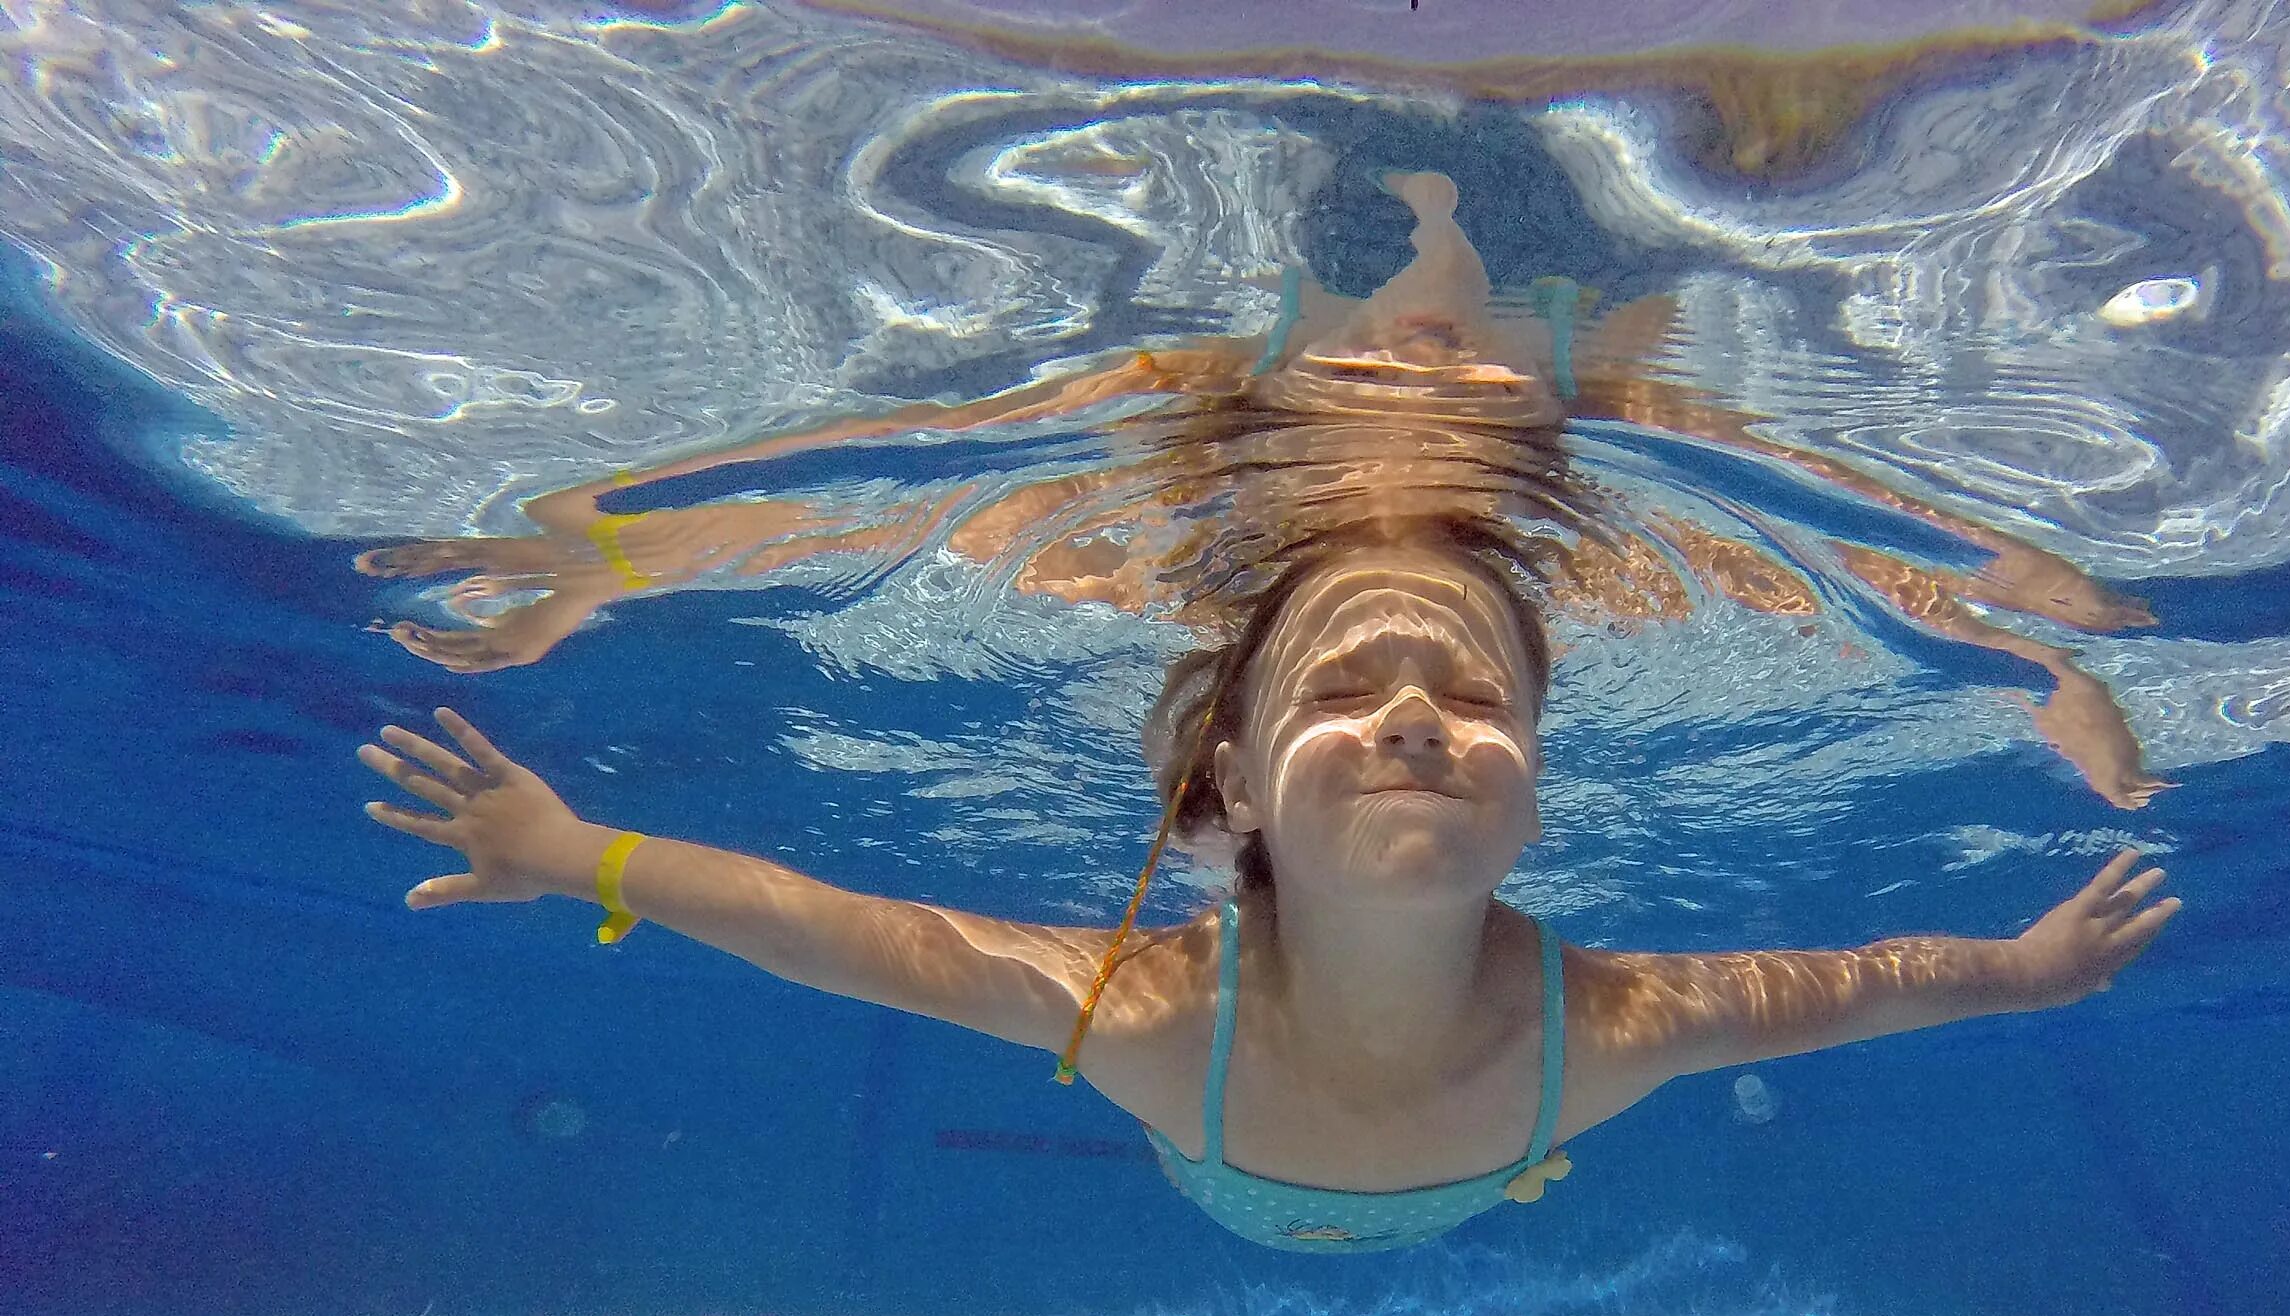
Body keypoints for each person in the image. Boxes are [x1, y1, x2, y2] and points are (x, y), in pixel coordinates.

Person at [357, 173, 2182, 1251]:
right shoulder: (1167, 1022)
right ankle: (1485, 242)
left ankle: (1438, 233)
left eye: (1472, 692)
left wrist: (2028, 964)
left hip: (1413, 1167)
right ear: (1226, 775)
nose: (1411, 718)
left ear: (1539, 792)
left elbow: (1859, 990)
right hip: (1237, 1173)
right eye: (1347, 687)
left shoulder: (1600, 1033)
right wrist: (564, 845)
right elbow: (857, 940)